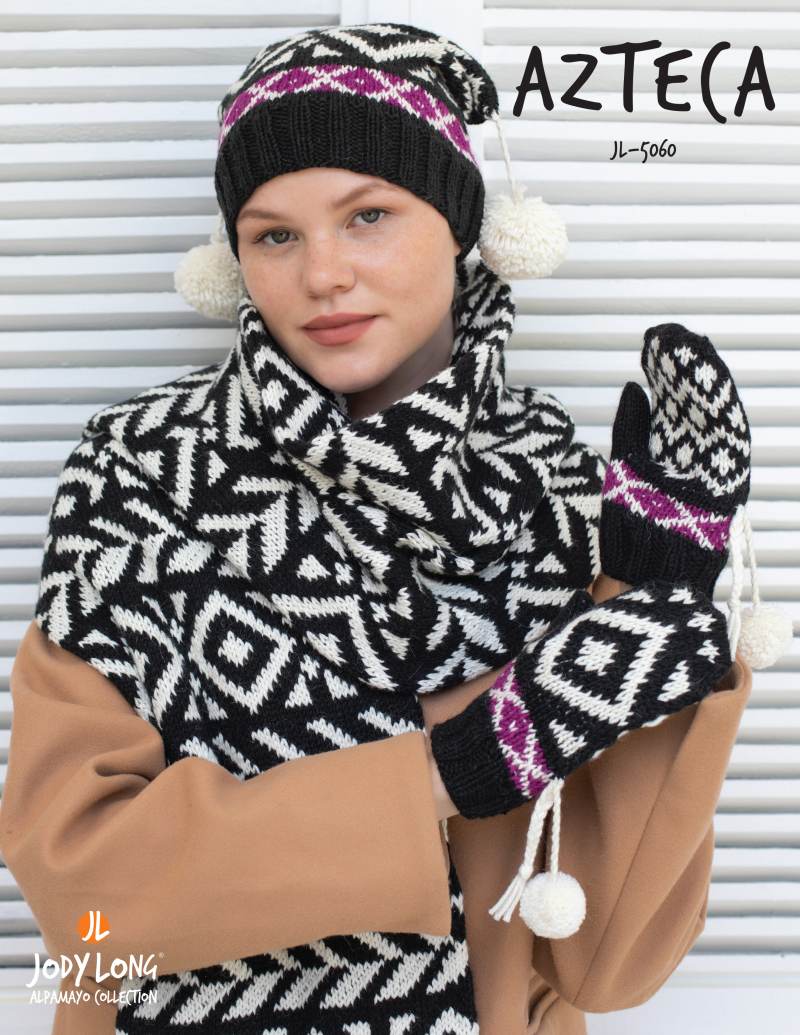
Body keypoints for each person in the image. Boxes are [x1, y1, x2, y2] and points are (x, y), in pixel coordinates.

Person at [0, 22, 764, 1035]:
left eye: (368, 215)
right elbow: (87, 910)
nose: (323, 274)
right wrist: (458, 769)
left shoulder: (551, 492)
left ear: (459, 223)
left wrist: (660, 592)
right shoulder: (139, 473)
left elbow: (604, 964)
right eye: (275, 235)